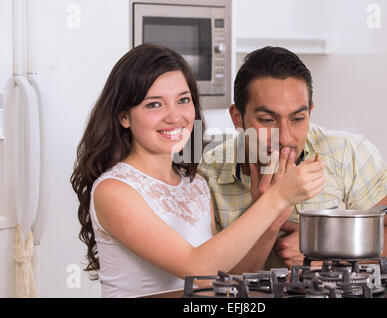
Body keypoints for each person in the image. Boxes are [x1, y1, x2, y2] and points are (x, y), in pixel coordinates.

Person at [70, 43, 327, 297]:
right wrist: (277, 197)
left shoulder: (195, 184)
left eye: (183, 100)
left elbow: (224, 279)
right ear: (124, 116)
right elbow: (196, 268)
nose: (174, 116)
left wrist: (275, 219)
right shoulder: (114, 190)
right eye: (154, 104)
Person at [198, 46, 387, 271]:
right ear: (237, 117)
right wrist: (270, 216)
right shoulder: (206, 175)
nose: (285, 137)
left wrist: (327, 252)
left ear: (310, 112)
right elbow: (216, 281)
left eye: (297, 118)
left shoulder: (347, 153)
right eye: (267, 120)